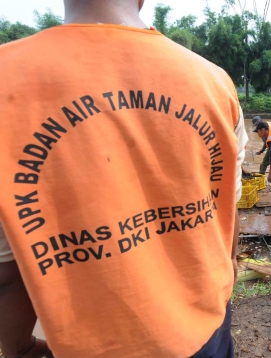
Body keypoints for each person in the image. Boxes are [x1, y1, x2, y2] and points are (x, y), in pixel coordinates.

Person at [0, 0, 248, 357]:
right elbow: (226, 210)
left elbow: (7, 273)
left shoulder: (8, 78)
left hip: (94, 346)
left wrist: (18, 347)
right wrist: (228, 278)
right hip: (207, 329)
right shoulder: (213, 81)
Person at [251, 116, 271, 182]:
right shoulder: (267, 125)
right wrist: (261, 151)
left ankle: (261, 179)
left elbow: (269, 141)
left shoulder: (263, 129)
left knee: (266, 163)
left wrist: (270, 174)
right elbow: (267, 142)